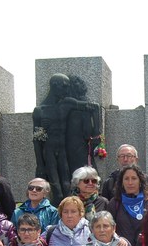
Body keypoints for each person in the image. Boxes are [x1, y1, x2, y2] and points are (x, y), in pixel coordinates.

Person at [33, 73, 101, 206]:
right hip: (50, 151)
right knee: (56, 190)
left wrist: (97, 133)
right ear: (54, 86)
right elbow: (37, 140)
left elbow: (94, 107)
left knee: (66, 186)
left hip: (62, 151)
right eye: (64, 86)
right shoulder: (40, 111)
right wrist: (40, 164)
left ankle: (69, 214)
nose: (67, 90)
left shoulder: (67, 103)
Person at [106, 164, 148, 246]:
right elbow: (108, 227)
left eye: (134, 178)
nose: (130, 182)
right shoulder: (115, 203)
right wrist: (118, 239)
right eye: (126, 179)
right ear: (122, 182)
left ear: (140, 181)